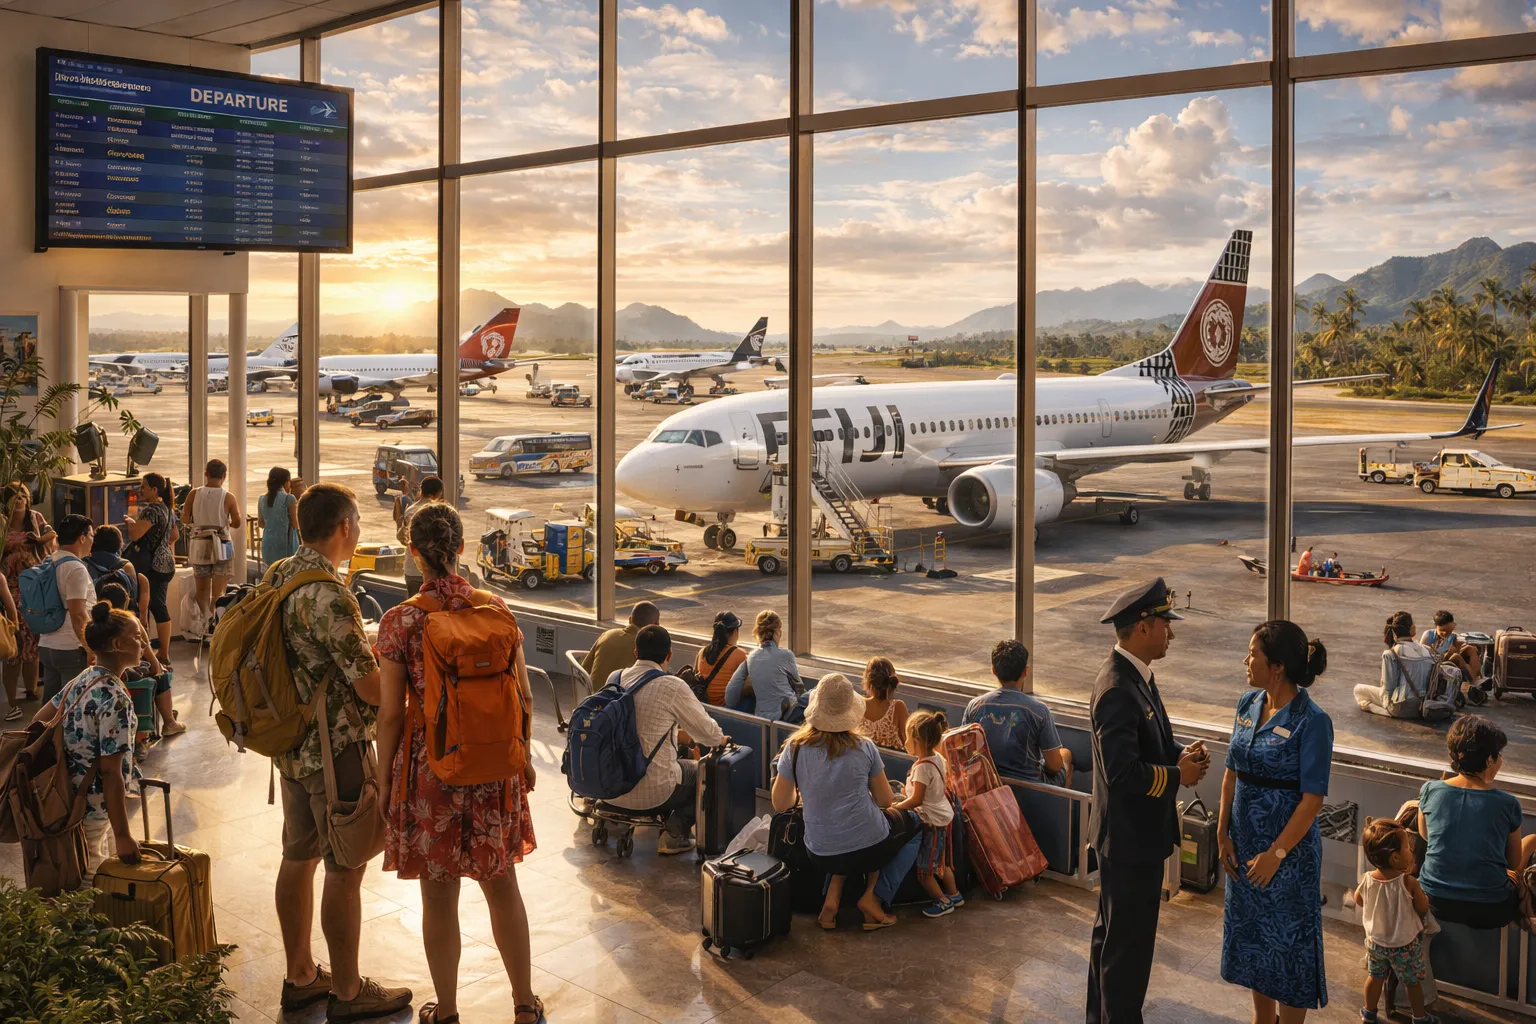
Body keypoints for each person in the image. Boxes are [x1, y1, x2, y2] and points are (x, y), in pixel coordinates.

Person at [373, 503, 543, 1024]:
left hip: (431, 770)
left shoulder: (400, 622)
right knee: (502, 887)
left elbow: (389, 717)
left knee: (438, 897)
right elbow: (524, 694)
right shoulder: (498, 611)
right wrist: (525, 760)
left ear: (413, 553)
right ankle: (523, 1004)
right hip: (495, 765)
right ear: (463, 549)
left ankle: (446, 1011)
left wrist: (384, 784)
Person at [270, 483, 412, 1022]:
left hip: (289, 746)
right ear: (345, 527)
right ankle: (349, 992)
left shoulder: (281, 575)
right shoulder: (329, 594)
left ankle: (300, 974)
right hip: (334, 751)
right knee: (344, 867)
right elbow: (370, 689)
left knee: (297, 857)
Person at [1086, 578, 1210, 1024]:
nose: (1170, 633)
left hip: (1131, 839)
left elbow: (1150, 743)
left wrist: (1180, 754)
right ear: (1142, 627)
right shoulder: (1119, 689)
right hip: (1129, 843)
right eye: (1164, 624)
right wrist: (1180, 776)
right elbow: (1123, 776)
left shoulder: (1138, 679)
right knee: (1128, 953)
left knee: (1111, 940)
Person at [1219, 621, 1334, 1022]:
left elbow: (1312, 799)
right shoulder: (1247, 704)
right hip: (1246, 847)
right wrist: (1222, 833)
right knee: (1254, 941)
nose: (1246, 660)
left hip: (1288, 859)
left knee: (1288, 948)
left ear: (1278, 667)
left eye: (1253, 654)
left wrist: (1276, 853)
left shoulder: (1312, 720)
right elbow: (1232, 771)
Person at [771, 673, 919, 931]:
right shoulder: (865, 747)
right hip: (869, 848)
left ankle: (832, 899)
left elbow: (781, 803)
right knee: (916, 824)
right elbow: (885, 800)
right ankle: (874, 897)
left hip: (819, 853)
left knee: (840, 827)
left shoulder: (794, 748)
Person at [29, 601, 144, 866]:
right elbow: (110, 772)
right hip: (93, 806)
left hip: (65, 795)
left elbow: (38, 722)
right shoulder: (116, 699)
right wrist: (123, 835)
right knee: (90, 882)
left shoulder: (83, 678)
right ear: (116, 645)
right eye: (136, 637)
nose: (142, 642)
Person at [603, 624, 725, 855]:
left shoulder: (615, 678)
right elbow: (709, 735)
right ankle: (674, 834)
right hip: (653, 792)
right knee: (704, 771)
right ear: (669, 655)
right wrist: (722, 738)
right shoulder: (673, 686)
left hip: (608, 786)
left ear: (635, 653)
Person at [1416, 715, 1536, 929]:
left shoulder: (1430, 790)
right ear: (1489, 760)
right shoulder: (1508, 804)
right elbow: (1512, 861)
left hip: (1434, 900)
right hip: (1491, 908)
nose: (1501, 761)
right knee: (1532, 841)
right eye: (1499, 755)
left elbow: (1426, 836)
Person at [1354, 819, 1438, 1024]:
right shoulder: (1409, 883)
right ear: (1395, 857)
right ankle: (1419, 1018)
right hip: (1405, 945)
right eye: (1408, 847)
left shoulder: (1367, 879)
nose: (1411, 851)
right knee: (1412, 983)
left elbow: (1358, 899)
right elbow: (1423, 908)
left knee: (1375, 977)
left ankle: (1369, 1013)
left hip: (1377, 942)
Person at [963, 640, 1072, 785]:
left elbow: (965, 754)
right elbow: (1054, 766)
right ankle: (1064, 806)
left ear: (993, 671)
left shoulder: (974, 706)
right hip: (1030, 788)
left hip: (990, 784)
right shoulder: (1039, 711)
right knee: (1066, 755)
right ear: (1025, 671)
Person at [889, 708, 963, 919]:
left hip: (932, 821)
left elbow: (917, 800)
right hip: (943, 815)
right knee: (943, 863)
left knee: (925, 871)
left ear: (918, 740)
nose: (904, 742)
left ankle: (942, 901)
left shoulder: (922, 768)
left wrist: (895, 808)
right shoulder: (937, 758)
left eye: (907, 738)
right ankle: (955, 894)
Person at [97, 581, 184, 743]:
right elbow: (150, 656)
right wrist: (159, 669)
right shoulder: (131, 623)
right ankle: (169, 722)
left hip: (103, 671)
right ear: (127, 602)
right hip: (127, 674)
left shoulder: (97, 624)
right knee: (161, 674)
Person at [37, 515, 96, 703]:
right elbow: (78, 612)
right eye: (92, 535)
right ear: (82, 538)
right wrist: (90, 648)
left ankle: (42, 733)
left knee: (51, 706)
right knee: (72, 707)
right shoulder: (75, 568)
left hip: (47, 644)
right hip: (71, 648)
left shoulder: (48, 561)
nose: (93, 541)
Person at [122, 472, 178, 660]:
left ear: (154, 490)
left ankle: (156, 652)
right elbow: (175, 535)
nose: (140, 490)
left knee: (150, 607)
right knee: (158, 605)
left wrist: (130, 522)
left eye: (144, 486)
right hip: (167, 563)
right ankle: (163, 651)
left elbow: (136, 534)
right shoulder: (167, 508)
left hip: (153, 565)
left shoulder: (151, 510)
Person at [182, 459, 242, 628]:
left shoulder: (194, 493)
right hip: (222, 545)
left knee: (202, 589)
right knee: (218, 592)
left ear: (206, 473)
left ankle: (206, 618)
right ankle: (216, 622)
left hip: (199, 544)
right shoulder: (228, 497)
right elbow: (237, 522)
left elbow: (184, 518)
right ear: (224, 476)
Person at [2, 483, 47, 708]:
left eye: (23, 496)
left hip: (32, 587)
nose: (20, 500)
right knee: (12, 648)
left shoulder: (36, 518)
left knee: (33, 645)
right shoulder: (1, 522)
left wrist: (37, 541)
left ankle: (31, 691)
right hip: (7, 589)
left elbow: (51, 535)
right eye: (15, 497)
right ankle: (11, 701)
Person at [724, 610, 808, 723]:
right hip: (788, 716)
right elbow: (799, 689)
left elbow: (730, 696)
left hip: (762, 717)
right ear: (779, 632)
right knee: (814, 692)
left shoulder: (750, 657)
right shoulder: (786, 655)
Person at [1355, 612, 1436, 719]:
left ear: (1393, 632)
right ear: (1412, 628)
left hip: (1400, 708)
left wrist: (1386, 704)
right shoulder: (1426, 650)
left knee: (1358, 689)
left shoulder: (1391, 653)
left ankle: (1381, 710)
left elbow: (1388, 687)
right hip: (1423, 707)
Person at [581, 601, 659, 698]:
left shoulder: (607, 635)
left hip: (591, 701)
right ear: (656, 625)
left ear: (630, 620)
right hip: (620, 706)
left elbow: (584, 669)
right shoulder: (646, 647)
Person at [86, 525, 149, 624]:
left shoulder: (86, 563)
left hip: (96, 618)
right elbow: (134, 593)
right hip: (124, 617)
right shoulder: (126, 565)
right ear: (118, 543)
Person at [397, 474, 445, 598]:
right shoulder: (439, 512)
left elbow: (402, 537)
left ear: (421, 490)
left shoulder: (410, 511)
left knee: (414, 607)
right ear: (437, 493)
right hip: (432, 570)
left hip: (412, 569)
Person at [1420, 610, 1483, 690]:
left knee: (1471, 649)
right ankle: (1474, 683)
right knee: (1457, 657)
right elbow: (1423, 655)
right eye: (1442, 630)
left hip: (1446, 660)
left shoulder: (1452, 636)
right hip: (1434, 665)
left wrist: (1465, 646)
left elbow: (1459, 645)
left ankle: (1478, 678)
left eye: (1448, 630)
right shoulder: (1428, 635)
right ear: (1436, 626)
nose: (1445, 633)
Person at [694, 610, 746, 706]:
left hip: (703, 705)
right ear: (735, 632)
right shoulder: (739, 655)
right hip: (724, 708)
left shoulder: (702, 652)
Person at [857, 657, 908, 749]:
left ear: (867, 681)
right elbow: (910, 744)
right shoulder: (898, 707)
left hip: (863, 762)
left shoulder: (858, 704)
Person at [258, 466, 301, 568]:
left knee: (271, 574)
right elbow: (295, 524)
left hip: (268, 543)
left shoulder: (262, 499)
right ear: (286, 482)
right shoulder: (289, 498)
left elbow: (261, 523)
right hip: (286, 544)